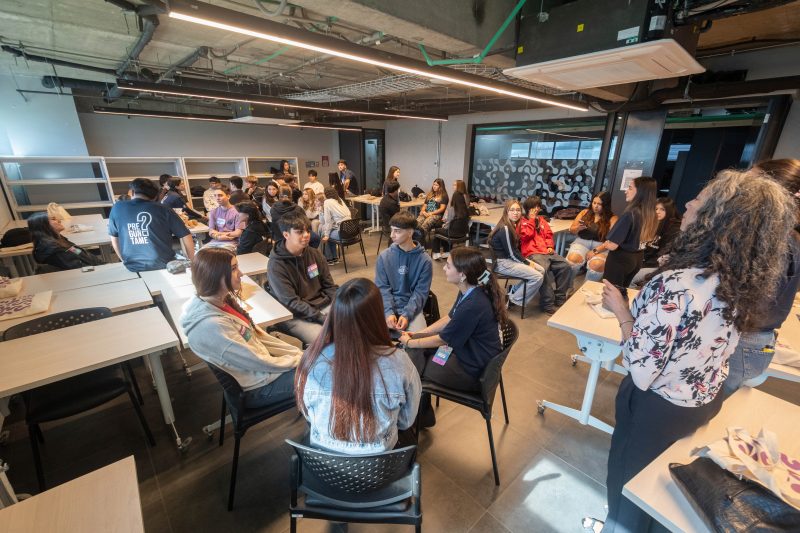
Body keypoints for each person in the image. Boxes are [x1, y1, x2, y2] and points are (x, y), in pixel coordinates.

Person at [597, 169, 796, 533]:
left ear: (718, 219)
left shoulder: (677, 285)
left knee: (627, 488)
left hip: (655, 408)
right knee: (657, 487)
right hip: (702, 399)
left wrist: (623, 312)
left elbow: (641, 369)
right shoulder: (741, 280)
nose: (688, 203)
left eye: (700, 200)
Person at [295, 278, 421, 453]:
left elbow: (308, 413)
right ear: (377, 316)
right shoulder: (400, 362)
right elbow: (405, 421)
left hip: (323, 460)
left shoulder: (312, 357)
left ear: (334, 315)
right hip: (379, 461)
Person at [181, 247, 302, 408]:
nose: (241, 273)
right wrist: (298, 360)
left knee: (320, 365)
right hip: (257, 387)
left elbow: (257, 339)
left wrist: (298, 355)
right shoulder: (212, 326)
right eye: (233, 269)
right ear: (214, 275)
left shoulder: (219, 301)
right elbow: (258, 360)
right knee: (324, 374)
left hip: (259, 371)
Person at [399, 247, 506, 428]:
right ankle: (420, 416)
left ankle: (413, 417)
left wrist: (411, 341)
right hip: (470, 354)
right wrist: (419, 334)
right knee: (416, 354)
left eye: (448, 266)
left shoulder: (473, 304)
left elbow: (443, 339)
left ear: (462, 274)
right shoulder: (470, 290)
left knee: (413, 366)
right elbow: (450, 318)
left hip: (473, 371)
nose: (443, 268)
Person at [724, 159, 800, 395]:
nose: (739, 189)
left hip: (743, 340)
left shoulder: (772, 244)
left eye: (749, 183)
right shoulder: (787, 238)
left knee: (711, 405)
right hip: (752, 340)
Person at [268, 212, 338, 346]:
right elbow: (291, 301)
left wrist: (340, 305)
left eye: (307, 230)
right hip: (295, 315)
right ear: (286, 235)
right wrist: (321, 318)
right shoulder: (276, 265)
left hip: (322, 305)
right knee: (326, 341)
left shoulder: (314, 254)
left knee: (353, 324)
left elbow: (329, 285)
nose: (306, 235)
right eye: (300, 232)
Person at [108, 178, 195, 272]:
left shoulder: (118, 207)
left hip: (132, 267)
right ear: (155, 196)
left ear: (132, 192)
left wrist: (124, 260)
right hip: (164, 265)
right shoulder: (164, 209)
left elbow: (114, 238)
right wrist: (191, 261)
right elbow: (186, 235)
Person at [375, 211, 433, 333]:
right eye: (392, 230)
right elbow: (382, 288)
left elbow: (420, 293)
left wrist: (407, 314)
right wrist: (388, 312)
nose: (392, 235)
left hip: (411, 308)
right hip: (386, 307)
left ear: (410, 232)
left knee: (419, 339)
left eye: (397, 231)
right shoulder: (384, 257)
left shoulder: (425, 261)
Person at [601, 176, 658, 288]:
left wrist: (606, 243)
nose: (626, 191)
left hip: (620, 260)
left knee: (611, 292)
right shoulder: (651, 215)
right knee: (621, 292)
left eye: (630, 188)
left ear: (640, 192)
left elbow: (612, 245)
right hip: (637, 259)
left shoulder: (630, 214)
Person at [518, 196, 572, 314]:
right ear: (528, 208)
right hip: (532, 253)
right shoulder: (521, 221)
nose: (536, 209)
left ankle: (560, 297)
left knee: (565, 266)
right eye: (534, 207)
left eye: (538, 206)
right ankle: (547, 303)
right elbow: (526, 236)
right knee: (544, 270)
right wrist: (532, 220)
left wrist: (550, 246)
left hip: (546, 252)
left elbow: (548, 235)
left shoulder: (542, 220)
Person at [488, 200, 544, 308]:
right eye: (512, 210)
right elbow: (512, 253)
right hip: (503, 263)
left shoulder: (512, 225)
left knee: (541, 270)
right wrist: (527, 263)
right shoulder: (505, 228)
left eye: (518, 210)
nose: (515, 213)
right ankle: (512, 300)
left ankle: (513, 291)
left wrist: (525, 262)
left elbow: (514, 251)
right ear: (506, 212)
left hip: (509, 260)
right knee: (537, 277)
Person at [565, 191, 617, 282]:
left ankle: (585, 289)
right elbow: (572, 230)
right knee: (572, 260)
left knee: (597, 265)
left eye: (599, 204)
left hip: (602, 246)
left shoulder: (613, 218)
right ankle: (567, 287)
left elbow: (612, 241)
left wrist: (595, 251)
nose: (596, 206)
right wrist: (578, 228)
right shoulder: (584, 212)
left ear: (606, 205)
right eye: (594, 203)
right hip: (582, 242)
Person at [629, 197, 681, 287]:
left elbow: (664, 255)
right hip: (643, 262)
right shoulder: (653, 224)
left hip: (657, 266)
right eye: (656, 209)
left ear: (669, 211)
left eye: (662, 209)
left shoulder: (674, 229)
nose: (657, 212)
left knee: (631, 277)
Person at [27, 212, 105, 271]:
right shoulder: (53, 249)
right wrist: (103, 269)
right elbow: (79, 269)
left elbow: (79, 253)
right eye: (53, 219)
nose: (59, 221)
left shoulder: (59, 241)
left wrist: (103, 265)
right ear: (44, 225)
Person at [431, 179, 470, 260]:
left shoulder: (452, 209)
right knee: (443, 229)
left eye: (454, 185)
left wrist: (444, 225)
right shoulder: (465, 210)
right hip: (463, 233)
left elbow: (448, 223)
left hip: (452, 233)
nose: (453, 186)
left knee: (438, 230)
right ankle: (447, 252)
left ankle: (436, 252)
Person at [320, 186, 351, 265]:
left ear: (326, 194)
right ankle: (335, 258)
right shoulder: (339, 199)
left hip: (343, 234)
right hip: (352, 231)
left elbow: (327, 221)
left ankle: (329, 259)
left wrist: (326, 235)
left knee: (324, 233)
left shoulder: (327, 202)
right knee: (329, 231)